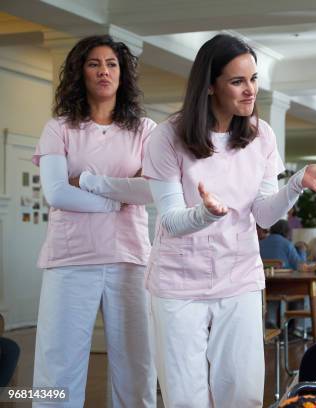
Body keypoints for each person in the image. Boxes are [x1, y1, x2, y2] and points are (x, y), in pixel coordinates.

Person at [142, 34, 316, 407]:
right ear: (209, 86)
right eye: (237, 81)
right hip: (178, 283)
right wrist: (206, 213)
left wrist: (297, 182)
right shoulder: (166, 136)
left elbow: (264, 214)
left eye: (253, 79)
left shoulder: (260, 134)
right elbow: (169, 221)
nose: (250, 90)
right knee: (186, 397)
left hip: (238, 277)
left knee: (242, 393)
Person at [32, 35, 157, 407]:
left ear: (123, 74)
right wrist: (115, 201)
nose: (104, 71)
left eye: (112, 64)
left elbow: (150, 191)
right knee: (57, 364)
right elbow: (56, 193)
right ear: (79, 73)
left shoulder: (145, 131)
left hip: (130, 258)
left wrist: (88, 183)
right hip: (71, 259)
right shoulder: (59, 128)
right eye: (94, 64)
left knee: (138, 364)